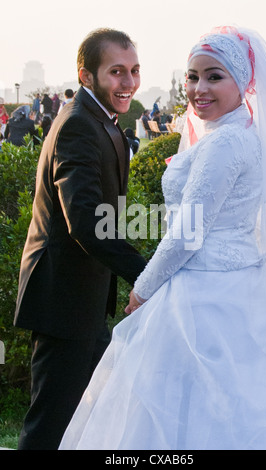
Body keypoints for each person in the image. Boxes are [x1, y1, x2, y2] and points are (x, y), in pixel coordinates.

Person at [59, 26, 266, 451]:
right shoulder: (233, 132)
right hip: (236, 288)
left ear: (242, 81)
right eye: (192, 76)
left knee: (183, 414)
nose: (198, 88)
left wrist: (143, 290)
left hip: (204, 296)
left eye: (214, 76)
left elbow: (187, 234)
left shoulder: (227, 142)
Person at [14, 27, 147, 450]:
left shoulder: (100, 120)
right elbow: (87, 222)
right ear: (86, 75)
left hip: (84, 301)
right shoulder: (77, 125)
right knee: (50, 429)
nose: (128, 82)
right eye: (116, 72)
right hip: (62, 304)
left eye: (134, 70)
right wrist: (148, 275)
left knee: (87, 425)